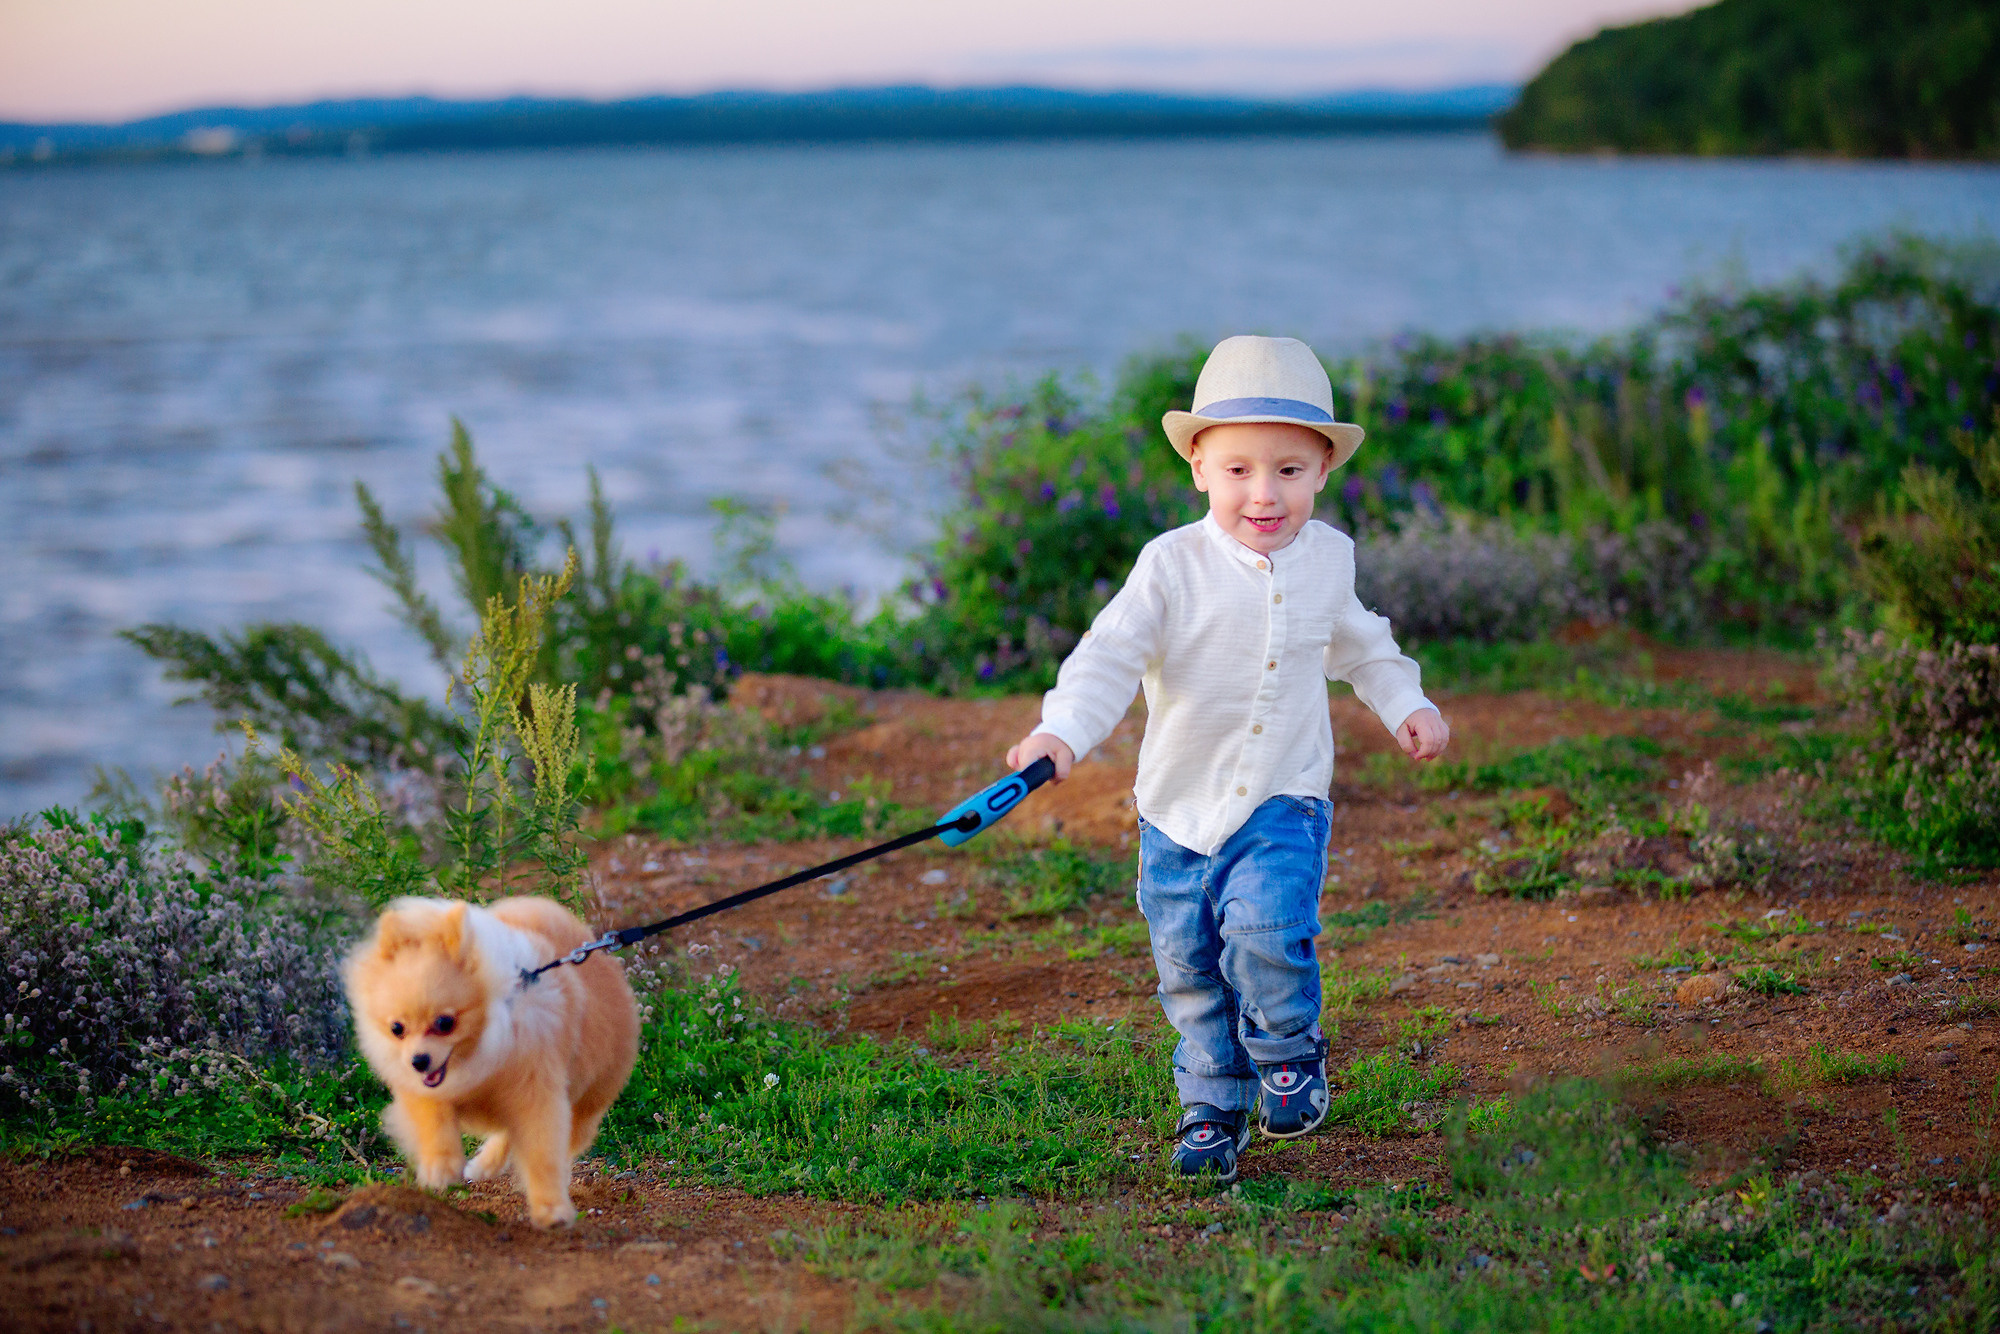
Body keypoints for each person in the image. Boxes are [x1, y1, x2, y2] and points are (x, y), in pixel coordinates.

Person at [1004, 335, 1449, 1182]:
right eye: (1239, 469)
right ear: (1199, 468)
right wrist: (1062, 730)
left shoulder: (1329, 560)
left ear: (1323, 471)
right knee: (1190, 968)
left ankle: (1287, 1050)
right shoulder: (1170, 566)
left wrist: (1407, 703)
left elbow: (1365, 647)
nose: (1264, 492)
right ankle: (1212, 1105)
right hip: (1177, 809)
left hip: (1283, 797)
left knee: (1265, 929)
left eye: (1288, 470)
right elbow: (1108, 656)